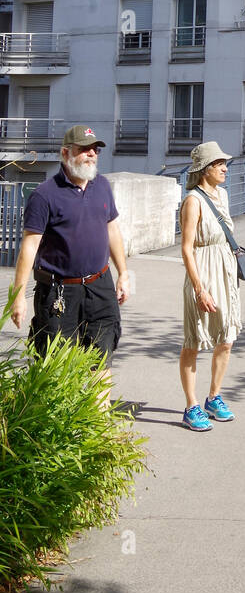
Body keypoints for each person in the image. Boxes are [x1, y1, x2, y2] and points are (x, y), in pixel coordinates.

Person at [8, 125, 130, 409]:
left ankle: (97, 427)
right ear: (66, 153)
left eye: (95, 149)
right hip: (59, 293)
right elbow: (30, 246)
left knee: (101, 359)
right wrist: (18, 296)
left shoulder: (101, 185)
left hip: (100, 286)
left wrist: (123, 273)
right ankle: (60, 428)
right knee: (57, 365)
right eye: (84, 149)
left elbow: (112, 230)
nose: (91, 154)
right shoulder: (44, 195)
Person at [179, 142, 242, 431]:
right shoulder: (193, 201)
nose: (225, 168)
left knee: (226, 337)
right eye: (219, 164)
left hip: (225, 270)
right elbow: (187, 249)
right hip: (203, 272)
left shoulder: (223, 195)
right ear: (206, 169)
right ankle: (191, 405)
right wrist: (200, 288)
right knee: (194, 340)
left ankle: (213, 397)